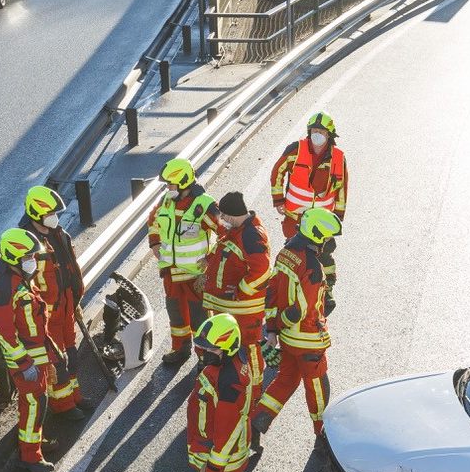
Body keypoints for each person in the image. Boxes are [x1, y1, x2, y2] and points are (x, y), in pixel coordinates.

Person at [251, 207, 341, 446]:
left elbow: (272, 291)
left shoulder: (285, 252)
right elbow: (300, 310)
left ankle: (259, 419)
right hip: (308, 341)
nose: (330, 242)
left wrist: (272, 329)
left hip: (288, 340)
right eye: (328, 237)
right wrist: (281, 324)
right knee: (317, 389)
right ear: (318, 235)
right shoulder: (312, 267)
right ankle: (322, 435)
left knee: (286, 380)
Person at [181, 314, 258, 472]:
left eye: (211, 348)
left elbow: (225, 430)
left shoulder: (228, 382)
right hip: (233, 456)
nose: (204, 353)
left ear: (226, 348)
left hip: (220, 458)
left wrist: (213, 468)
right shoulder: (236, 362)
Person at [0, 228, 58, 472]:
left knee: (39, 403)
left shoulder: (19, 280)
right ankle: (30, 456)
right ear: (14, 257)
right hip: (25, 361)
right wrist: (24, 364)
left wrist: (51, 350)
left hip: (36, 355)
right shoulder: (4, 289)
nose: (33, 261)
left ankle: (36, 442)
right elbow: (5, 333)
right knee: (33, 405)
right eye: (28, 256)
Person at [21, 185, 93, 420]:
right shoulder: (25, 245)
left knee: (71, 353)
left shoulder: (60, 234)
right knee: (57, 359)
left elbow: (71, 269)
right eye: (50, 213)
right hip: (45, 314)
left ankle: (74, 396)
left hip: (66, 304)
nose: (55, 217)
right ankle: (62, 407)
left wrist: (75, 301)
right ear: (36, 214)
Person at [269, 112, 347, 313]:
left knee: (325, 256)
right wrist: (278, 199)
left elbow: (341, 189)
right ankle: (292, 291)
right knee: (294, 255)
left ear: (329, 135)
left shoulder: (338, 158)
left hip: (322, 223)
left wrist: (338, 217)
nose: (317, 134)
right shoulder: (296, 150)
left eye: (321, 131)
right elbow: (277, 171)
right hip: (296, 218)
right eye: (314, 130)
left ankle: (327, 289)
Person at [146, 157, 219, 366]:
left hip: (195, 275)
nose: (167, 187)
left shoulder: (204, 205)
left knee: (200, 318)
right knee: (176, 315)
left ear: (183, 182)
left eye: (170, 183)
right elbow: (153, 220)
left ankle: (205, 355)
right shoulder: (167, 200)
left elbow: (226, 233)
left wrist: (211, 259)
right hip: (171, 273)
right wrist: (154, 243)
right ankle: (180, 348)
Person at [202, 191, 271, 401]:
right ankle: (235, 385)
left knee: (250, 349)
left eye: (223, 216)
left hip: (244, 310)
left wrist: (241, 292)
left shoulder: (252, 235)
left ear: (231, 216)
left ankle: (256, 392)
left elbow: (261, 270)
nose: (222, 221)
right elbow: (227, 249)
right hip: (230, 308)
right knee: (232, 348)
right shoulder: (240, 230)